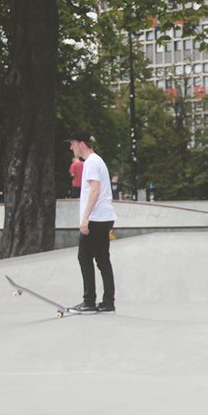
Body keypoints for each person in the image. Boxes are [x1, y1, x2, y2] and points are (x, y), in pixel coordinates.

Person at [68, 132, 117, 312]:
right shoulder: (98, 161)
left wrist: (85, 218)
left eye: (73, 144)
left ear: (81, 144)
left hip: (95, 219)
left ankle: (89, 301)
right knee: (103, 259)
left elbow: (94, 190)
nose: (71, 147)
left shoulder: (90, 162)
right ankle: (108, 302)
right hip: (105, 217)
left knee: (84, 257)